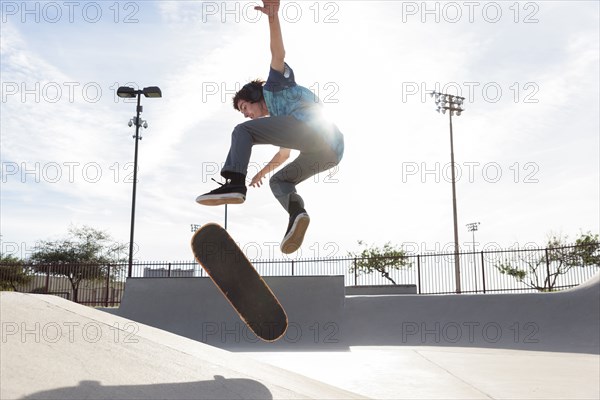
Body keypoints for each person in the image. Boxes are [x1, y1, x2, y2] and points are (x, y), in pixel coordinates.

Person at [196, 0, 344, 254]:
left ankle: (234, 183)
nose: (247, 114)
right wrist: (262, 173)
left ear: (254, 96)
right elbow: (283, 155)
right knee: (279, 181)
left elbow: (278, 54)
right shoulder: (281, 119)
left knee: (242, 132)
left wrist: (272, 17)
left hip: (312, 130)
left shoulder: (273, 86)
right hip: (330, 152)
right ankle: (297, 214)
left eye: (245, 108)